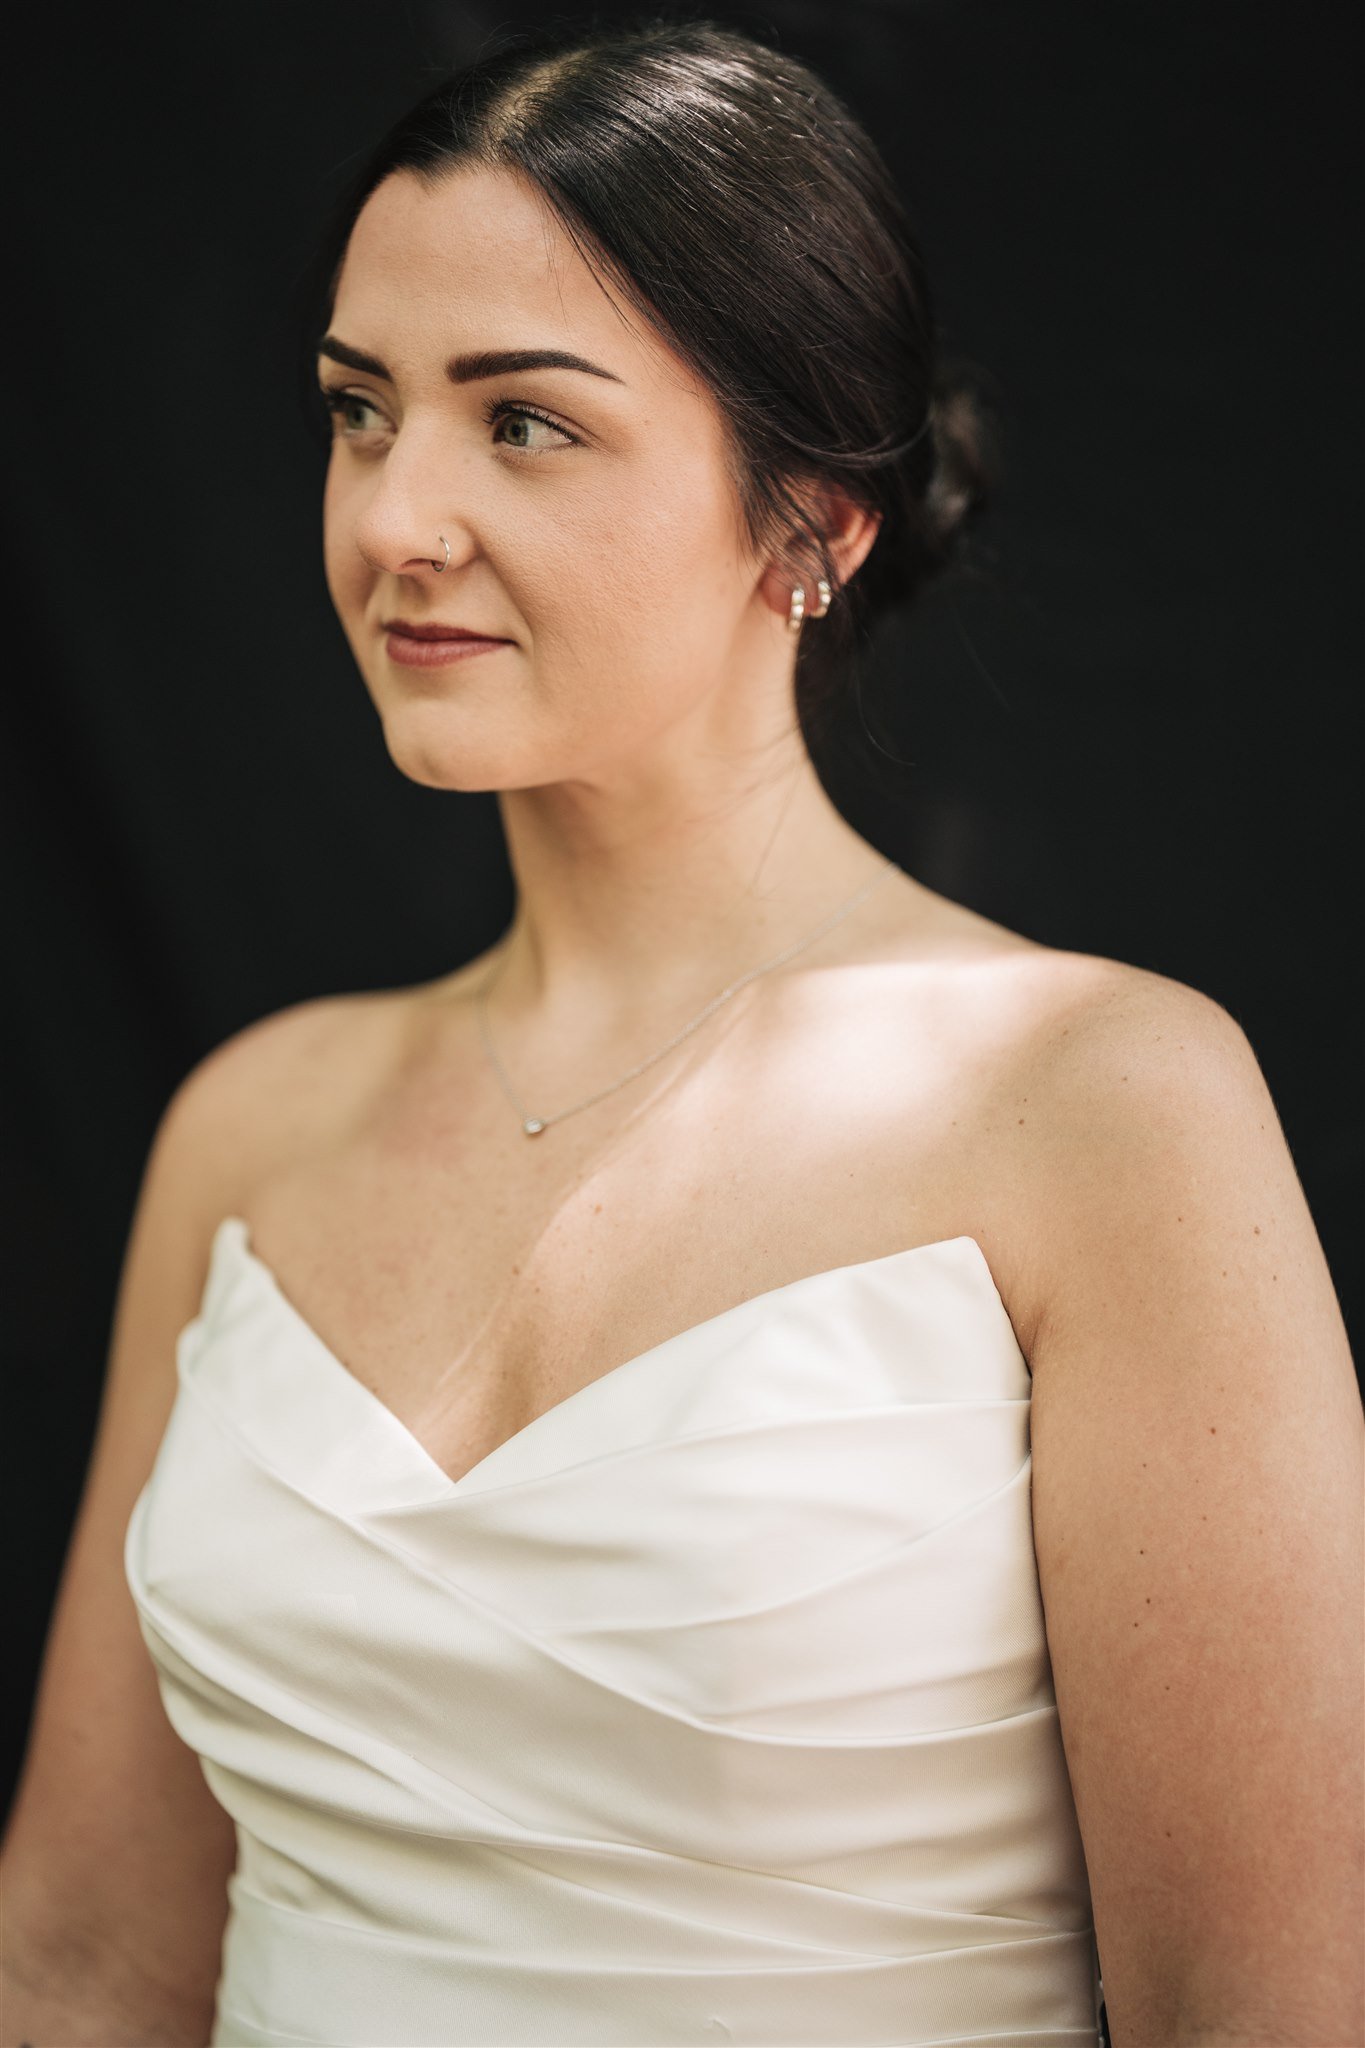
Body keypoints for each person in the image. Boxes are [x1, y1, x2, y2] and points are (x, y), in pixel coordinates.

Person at [3, 17, 1359, 2048]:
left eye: (521, 422)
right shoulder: (251, 1127)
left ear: (811, 515)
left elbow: (1257, 2011)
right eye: (359, 411)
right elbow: (87, 1953)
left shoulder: (1102, 1109)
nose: (393, 522)